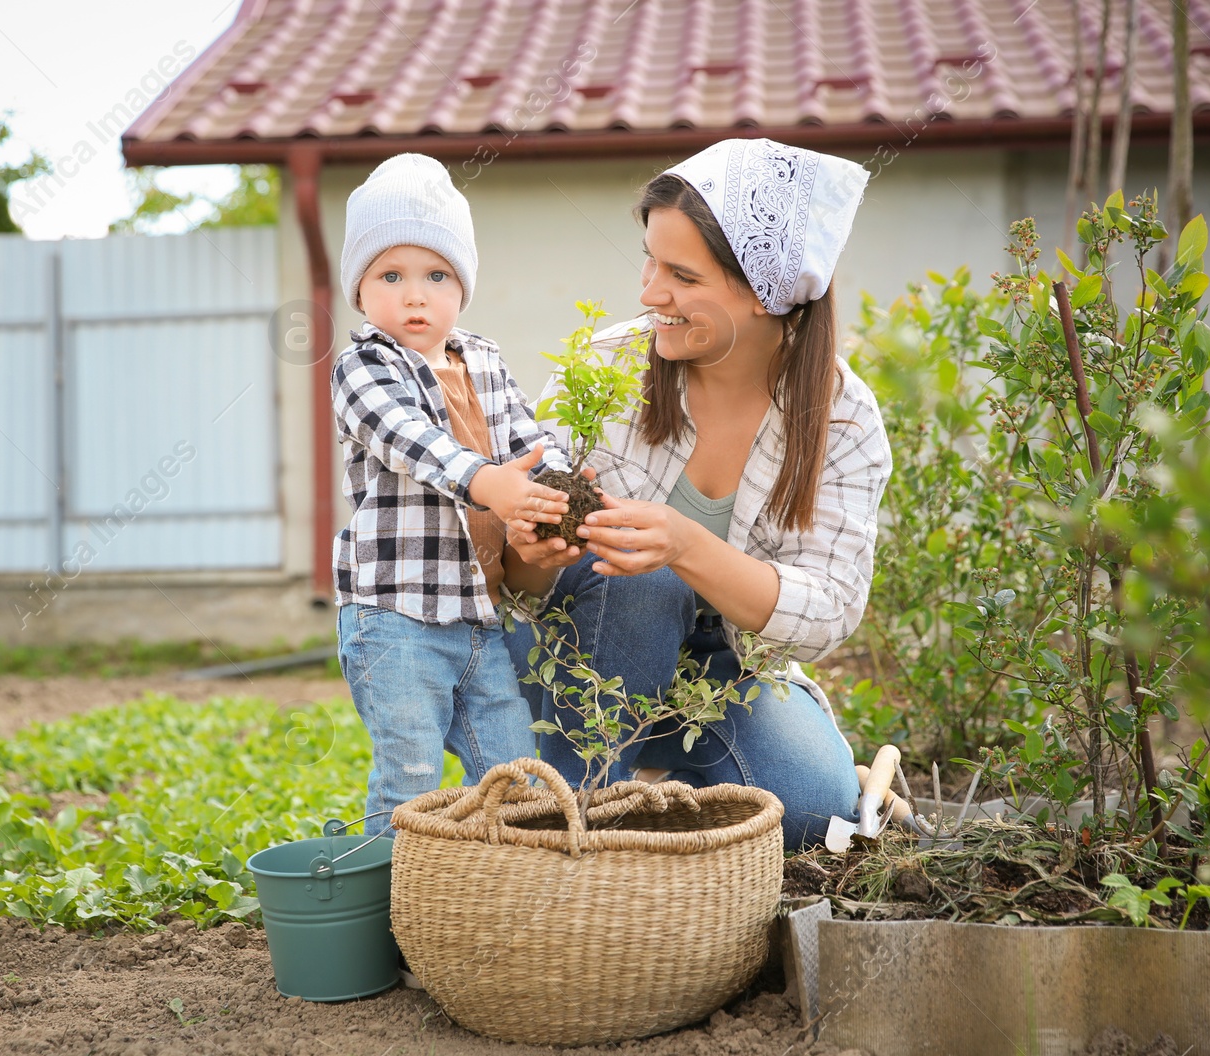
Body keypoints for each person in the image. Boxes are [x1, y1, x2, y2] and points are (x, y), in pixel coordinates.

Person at [504, 138, 891, 848]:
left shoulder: (844, 416)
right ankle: (567, 822)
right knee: (642, 578)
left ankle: (648, 772)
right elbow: (522, 585)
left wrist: (687, 544)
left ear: (762, 290)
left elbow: (831, 606)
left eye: (680, 274)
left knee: (813, 807)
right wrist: (531, 548)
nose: (650, 291)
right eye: (649, 260)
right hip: (579, 654)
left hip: (722, 672)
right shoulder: (608, 369)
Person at [331, 153, 573, 833]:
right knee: (409, 774)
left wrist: (555, 484)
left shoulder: (484, 360)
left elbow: (530, 437)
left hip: (478, 617)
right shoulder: (362, 367)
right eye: (391, 275)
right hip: (396, 617)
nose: (415, 295)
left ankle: (499, 902)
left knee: (513, 772)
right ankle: (392, 913)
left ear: (462, 287)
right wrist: (488, 480)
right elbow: (407, 437)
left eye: (437, 275)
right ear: (360, 290)